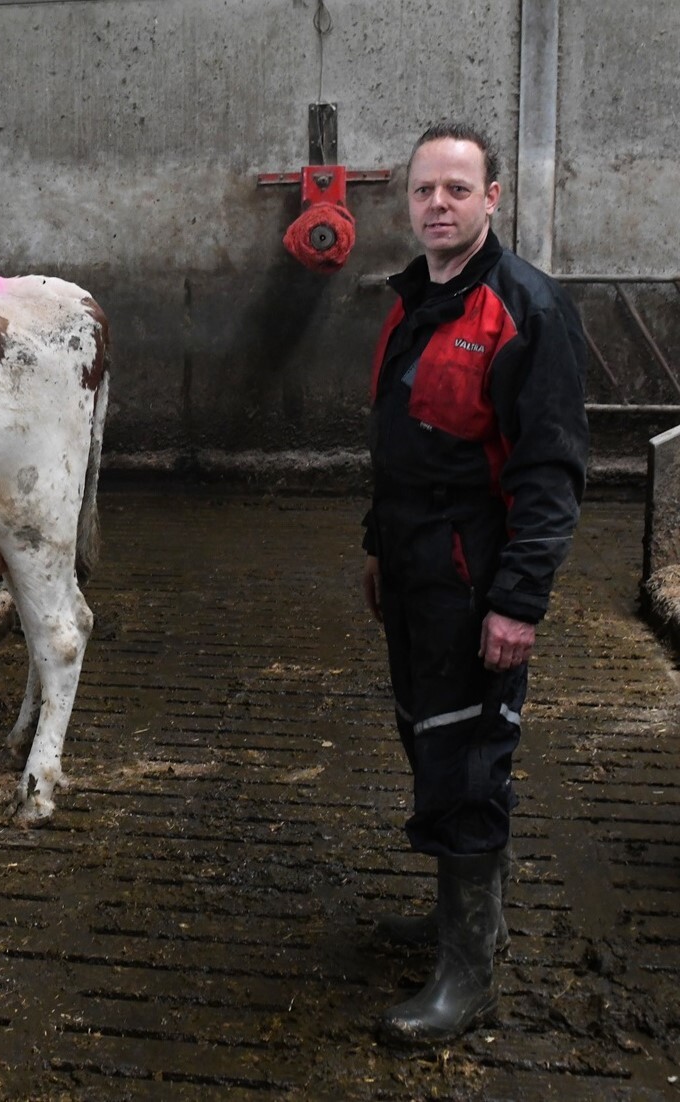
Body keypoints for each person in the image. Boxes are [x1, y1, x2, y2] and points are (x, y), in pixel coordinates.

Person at [361, 121, 589, 1045]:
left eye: (458, 189)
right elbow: (402, 448)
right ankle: (469, 918)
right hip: (414, 577)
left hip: (475, 585)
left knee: (471, 759)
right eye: (425, 191)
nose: (439, 205)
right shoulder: (414, 298)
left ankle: (470, 977)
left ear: (494, 197)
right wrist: (379, 547)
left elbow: (550, 472)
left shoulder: (527, 309)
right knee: (428, 736)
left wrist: (518, 602)